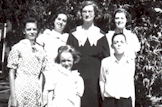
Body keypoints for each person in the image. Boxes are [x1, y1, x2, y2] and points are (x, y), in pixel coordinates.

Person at [67, 1, 110, 107]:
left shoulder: (101, 35)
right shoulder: (73, 34)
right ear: (81, 14)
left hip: (95, 80)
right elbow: (67, 57)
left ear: (95, 14)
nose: (87, 14)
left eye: (90, 11)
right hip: (77, 77)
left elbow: (107, 61)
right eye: (84, 11)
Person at [7, 17, 46, 107]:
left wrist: (40, 94)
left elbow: (41, 75)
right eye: (29, 29)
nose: (32, 32)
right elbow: (11, 72)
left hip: (35, 90)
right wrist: (13, 97)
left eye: (34, 29)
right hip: (20, 89)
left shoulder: (41, 50)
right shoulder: (18, 47)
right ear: (24, 31)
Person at [100, 33, 135, 107]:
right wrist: (105, 98)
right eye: (116, 42)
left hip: (125, 101)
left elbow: (131, 83)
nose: (119, 44)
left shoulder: (130, 63)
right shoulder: (105, 62)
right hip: (109, 101)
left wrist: (133, 102)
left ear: (126, 44)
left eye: (122, 42)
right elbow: (102, 81)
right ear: (112, 46)